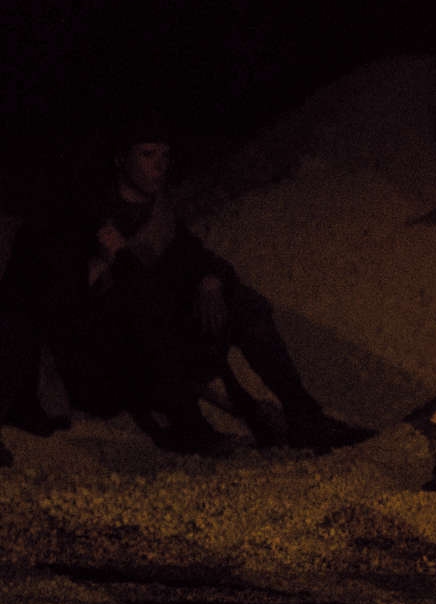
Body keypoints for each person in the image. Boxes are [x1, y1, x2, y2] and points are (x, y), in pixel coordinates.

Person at [47, 130, 372, 455]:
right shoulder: (90, 215)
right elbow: (62, 300)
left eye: (164, 156)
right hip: (122, 353)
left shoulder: (159, 214)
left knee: (242, 302)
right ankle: (188, 426)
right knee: (144, 301)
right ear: (121, 160)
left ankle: (304, 417)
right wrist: (102, 261)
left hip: (171, 337)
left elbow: (201, 259)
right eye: (147, 155)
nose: (159, 166)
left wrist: (211, 280)